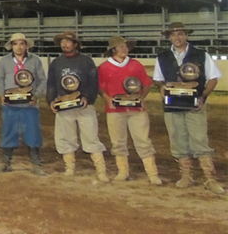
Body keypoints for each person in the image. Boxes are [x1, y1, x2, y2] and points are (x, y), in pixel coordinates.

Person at [153, 22, 223, 193]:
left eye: (180, 34)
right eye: (173, 34)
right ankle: (186, 176)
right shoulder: (162, 57)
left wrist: (202, 96)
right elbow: (158, 78)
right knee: (177, 139)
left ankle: (210, 178)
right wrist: (161, 87)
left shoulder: (200, 55)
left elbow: (213, 79)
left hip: (194, 105)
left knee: (199, 140)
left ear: (186, 35)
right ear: (169, 37)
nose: (177, 37)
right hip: (172, 106)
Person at [97, 35, 161, 185]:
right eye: (120, 47)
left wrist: (141, 98)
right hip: (115, 111)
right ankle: (123, 171)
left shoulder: (136, 65)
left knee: (143, 140)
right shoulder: (104, 67)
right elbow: (100, 87)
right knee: (118, 141)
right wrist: (108, 99)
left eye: (125, 46)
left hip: (136, 110)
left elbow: (146, 83)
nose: (124, 49)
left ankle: (152, 173)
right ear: (113, 50)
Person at [47, 31, 108, 182]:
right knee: (65, 137)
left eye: (68, 41)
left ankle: (101, 170)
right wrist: (51, 101)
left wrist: (88, 97)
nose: (64, 44)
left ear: (75, 44)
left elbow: (94, 82)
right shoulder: (56, 63)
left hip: (84, 106)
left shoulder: (86, 61)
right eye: (62, 42)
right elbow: (52, 84)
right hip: (64, 105)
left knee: (91, 136)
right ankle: (70, 167)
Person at [0, 33, 47, 175]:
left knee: (33, 132)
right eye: (15, 44)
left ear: (26, 45)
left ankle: (36, 164)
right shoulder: (4, 61)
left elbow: (42, 80)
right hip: (10, 105)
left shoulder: (34, 61)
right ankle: (6, 163)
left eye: (21, 44)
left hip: (29, 105)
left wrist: (36, 96)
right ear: (11, 46)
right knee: (8, 131)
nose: (19, 47)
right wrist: (1, 94)